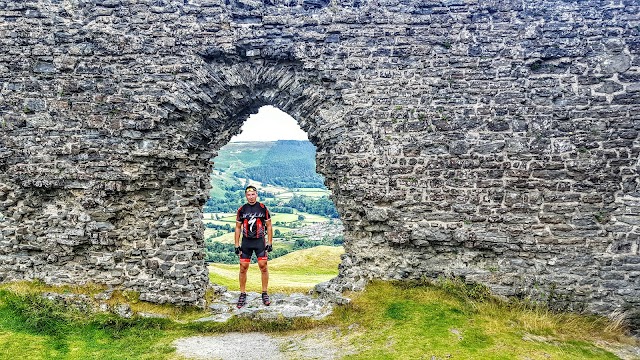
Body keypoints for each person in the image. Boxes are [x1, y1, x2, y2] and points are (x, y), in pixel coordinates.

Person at [234, 185, 273, 308]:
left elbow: (269, 225)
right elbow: (238, 227)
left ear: (256, 195)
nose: (251, 197)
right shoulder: (242, 209)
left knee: (263, 266)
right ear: (246, 196)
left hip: (259, 242)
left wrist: (270, 242)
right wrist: (236, 244)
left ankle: (264, 292)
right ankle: (242, 293)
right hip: (246, 242)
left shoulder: (262, 208)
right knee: (243, 267)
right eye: (248, 195)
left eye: (253, 194)